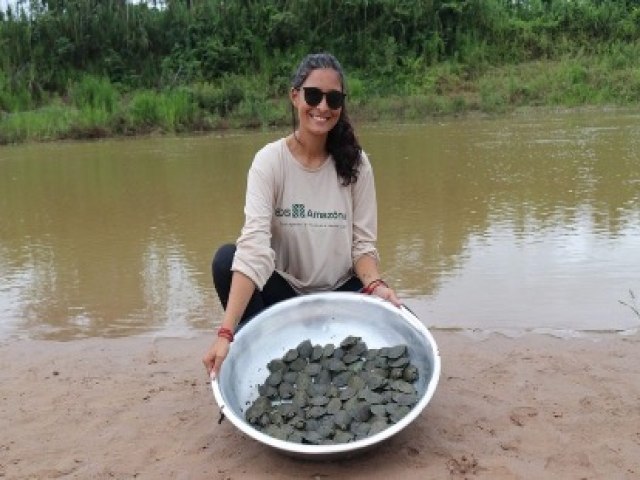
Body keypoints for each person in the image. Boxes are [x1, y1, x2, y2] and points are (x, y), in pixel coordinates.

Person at [202, 52, 400, 380]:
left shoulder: (357, 164)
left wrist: (376, 285)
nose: (322, 107)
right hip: (286, 295)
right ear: (295, 96)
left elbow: (363, 248)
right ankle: (266, 353)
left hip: (341, 292)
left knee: (400, 321)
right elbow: (254, 249)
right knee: (227, 260)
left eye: (333, 98)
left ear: (341, 104)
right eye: (313, 95)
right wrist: (226, 332)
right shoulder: (270, 162)